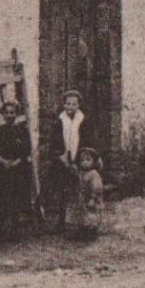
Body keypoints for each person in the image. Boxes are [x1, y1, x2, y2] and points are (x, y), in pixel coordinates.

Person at [0, 99, 35, 240]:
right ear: (2, 115)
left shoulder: (22, 131)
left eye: (12, 112)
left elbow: (27, 150)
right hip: (1, 169)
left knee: (15, 198)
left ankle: (14, 229)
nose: (9, 115)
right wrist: (1, 160)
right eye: (6, 113)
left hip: (17, 169)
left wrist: (17, 162)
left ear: (16, 114)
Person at [49, 88, 87, 230]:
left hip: (78, 157)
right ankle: (61, 219)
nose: (71, 107)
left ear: (78, 105)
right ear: (63, 105)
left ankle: (80, 221)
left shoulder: (83, 121)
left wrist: (82, 159)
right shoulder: (59, 121)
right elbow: (54, 141)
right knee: (62, 189)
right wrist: (60, 156)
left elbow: (86, 140)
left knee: (78, 189)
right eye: (68, 104)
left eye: (74, 104)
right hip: (62, 159)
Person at [67, 147, 105, 241]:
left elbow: (97, 187)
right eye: (82, 160)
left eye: (88, 160)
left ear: (94, 162)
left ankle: (92, 232)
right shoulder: (81, 173)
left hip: (90, 198)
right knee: (82, 215)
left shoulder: (93, 174)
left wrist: (93, 198)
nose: (84, 162)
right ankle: (82, 231)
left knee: (91, 215)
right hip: (82, 198)